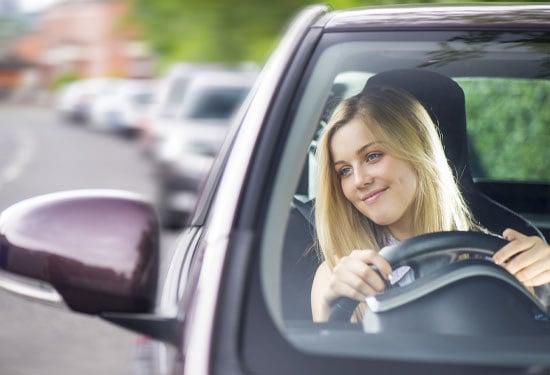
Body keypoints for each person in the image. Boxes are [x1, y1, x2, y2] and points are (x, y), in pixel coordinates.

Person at [310, 85, 550, 322]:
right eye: (344, 171)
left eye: (373, 156)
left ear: (418, 151)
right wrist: (329, 310)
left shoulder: (503, 259)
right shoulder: (337, 277)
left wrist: (545, 281)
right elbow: (329, 360)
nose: (360, 180)